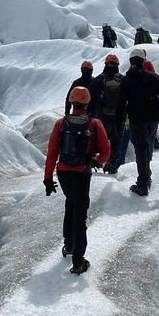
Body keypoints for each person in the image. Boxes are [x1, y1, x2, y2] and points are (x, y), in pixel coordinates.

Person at [44, 87, 111, 274]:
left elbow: (52, 152)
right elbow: (105, 151)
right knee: (80, 215)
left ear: (71, 102)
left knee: (70, 204)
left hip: (63, 173)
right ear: (87, 102)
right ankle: (78, 261)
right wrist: (95, 160)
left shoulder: (60, 123)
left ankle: (70, 246)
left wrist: (48, 178)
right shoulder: (94, 124)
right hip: (82, 173)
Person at [115, 47, 159, 196]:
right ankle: (146, 178)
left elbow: (120, 105)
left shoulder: (127, 80)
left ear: (131, 62)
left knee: (141, 150)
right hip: (154, 118)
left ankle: (142, 184)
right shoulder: (153, 77)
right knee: (146, 147)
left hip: (137, 119)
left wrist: (118, 125)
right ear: (144, 61)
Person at [90, 54, 125, 173]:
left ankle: (95, 163)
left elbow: (91, 100)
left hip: (101, 118)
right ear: (117, 65)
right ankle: (113, 166)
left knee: (98, 140)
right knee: (116, 141)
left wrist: (90, 116)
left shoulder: (98, 79)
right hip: (118, 118)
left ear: (105, 64)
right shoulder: (122, 79)